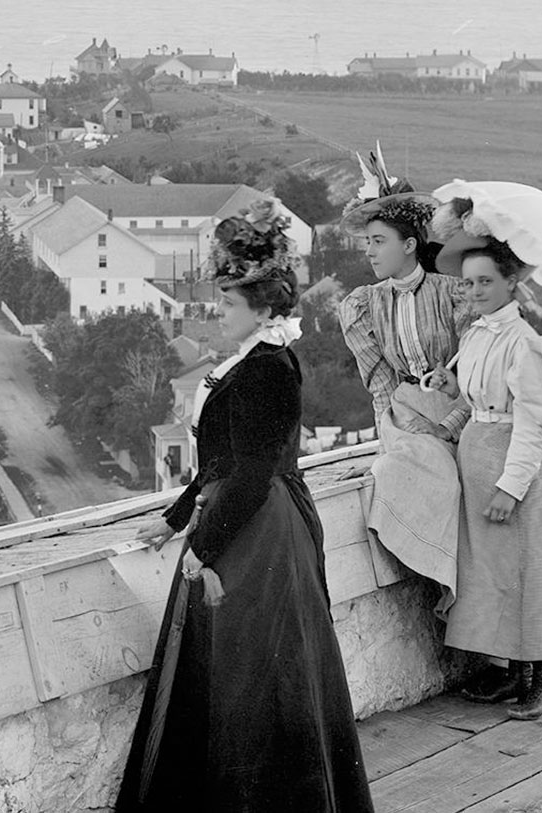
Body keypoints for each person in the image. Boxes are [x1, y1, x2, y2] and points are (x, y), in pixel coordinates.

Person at [117, 199, 373, 811]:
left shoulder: (268, 367)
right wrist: (174, 520)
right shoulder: (252, 360)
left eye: (229, 302)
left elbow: (254, 473)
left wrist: (201, 549)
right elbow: (223, 462)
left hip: (257, 531)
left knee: (255, 675)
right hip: (239, 517)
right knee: (234, 674)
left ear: (263, 309)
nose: (218, 310)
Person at [426, 237, 542, 720]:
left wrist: (511, 487)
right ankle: (511, 675)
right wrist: (449, 397)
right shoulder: (477, 336)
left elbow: (535, 423)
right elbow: (476, 403)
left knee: (531, 573)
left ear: (512, 282)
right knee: (493, 575)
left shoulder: (529, 344)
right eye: (469, 283)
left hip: (518, 474)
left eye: (487, 281)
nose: (477, 291)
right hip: (479, 467)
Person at [336, 152, 469, 617]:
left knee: (456, 483)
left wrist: (450, 422)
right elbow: (380, 385)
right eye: (367, 242)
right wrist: (384, 447)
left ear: (410, 244)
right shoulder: (363, 306)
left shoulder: (452, 292)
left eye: (378, 241)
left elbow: (476, 374)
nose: (369, 252)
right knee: (409, 468)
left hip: (458, 413)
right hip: (403, 415)